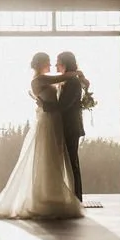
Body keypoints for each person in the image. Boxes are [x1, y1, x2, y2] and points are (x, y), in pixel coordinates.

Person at [0, 52, 87, 219]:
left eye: (54, 62)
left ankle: (59, 195)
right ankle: (52, 197)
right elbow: (64, 78)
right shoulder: (39, 80)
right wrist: (79, 74)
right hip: (48, 124)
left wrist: (82, 81)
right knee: (50, 160)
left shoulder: (46, 79)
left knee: (57, 161)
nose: (51, 65)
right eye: (48, 62)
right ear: (40, 63)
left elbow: (63, 83)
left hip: (55, 123)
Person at [41, 51, 85, 201]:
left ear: (64, 63)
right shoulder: (69, 80)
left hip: (71, 127)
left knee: (72, 162)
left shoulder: (73, 82)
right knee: (70, 161)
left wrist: (44, 105)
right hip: (67, 126)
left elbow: (64, 105)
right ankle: (72, 196)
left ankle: (77, 198)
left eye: (57, 62)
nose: (55, 65)